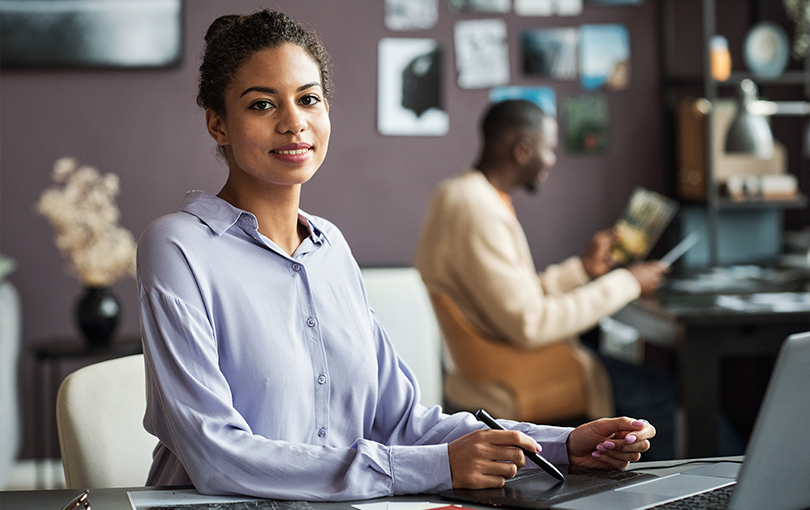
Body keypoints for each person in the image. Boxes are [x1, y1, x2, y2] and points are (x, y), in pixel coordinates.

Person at [136, 10, 657, 501]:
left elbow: (406, 422)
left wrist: (564, 445)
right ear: (218, 124)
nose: (294, 123)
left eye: (309, 99)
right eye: (261, 104)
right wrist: (430, 467)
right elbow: (216, 456)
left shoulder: (331, 249)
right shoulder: (177, 248)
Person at [414, 99, 676, 458]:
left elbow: (513, 298)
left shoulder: (463, 194)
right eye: (549, 149)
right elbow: (530, 323)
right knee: (660, 392)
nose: (552, 160)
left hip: (498, 365)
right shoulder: (477, 209)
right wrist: (628, 282)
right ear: (523, 150)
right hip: (516, 376)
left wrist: (583, 270)